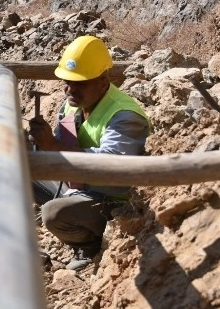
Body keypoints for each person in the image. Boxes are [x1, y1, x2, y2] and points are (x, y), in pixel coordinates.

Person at [28, 35, 151, 271]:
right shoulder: (71, 104)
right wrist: (42, 143)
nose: (69, 89)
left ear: (103, 83)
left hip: (114, 198)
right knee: (21, 165)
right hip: (79, 182)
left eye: (80, 83)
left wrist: (53, 146)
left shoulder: (124, 116)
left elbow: (112, 168)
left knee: (53, 213)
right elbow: (61, 145)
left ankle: (89, 245)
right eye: (67, 81)